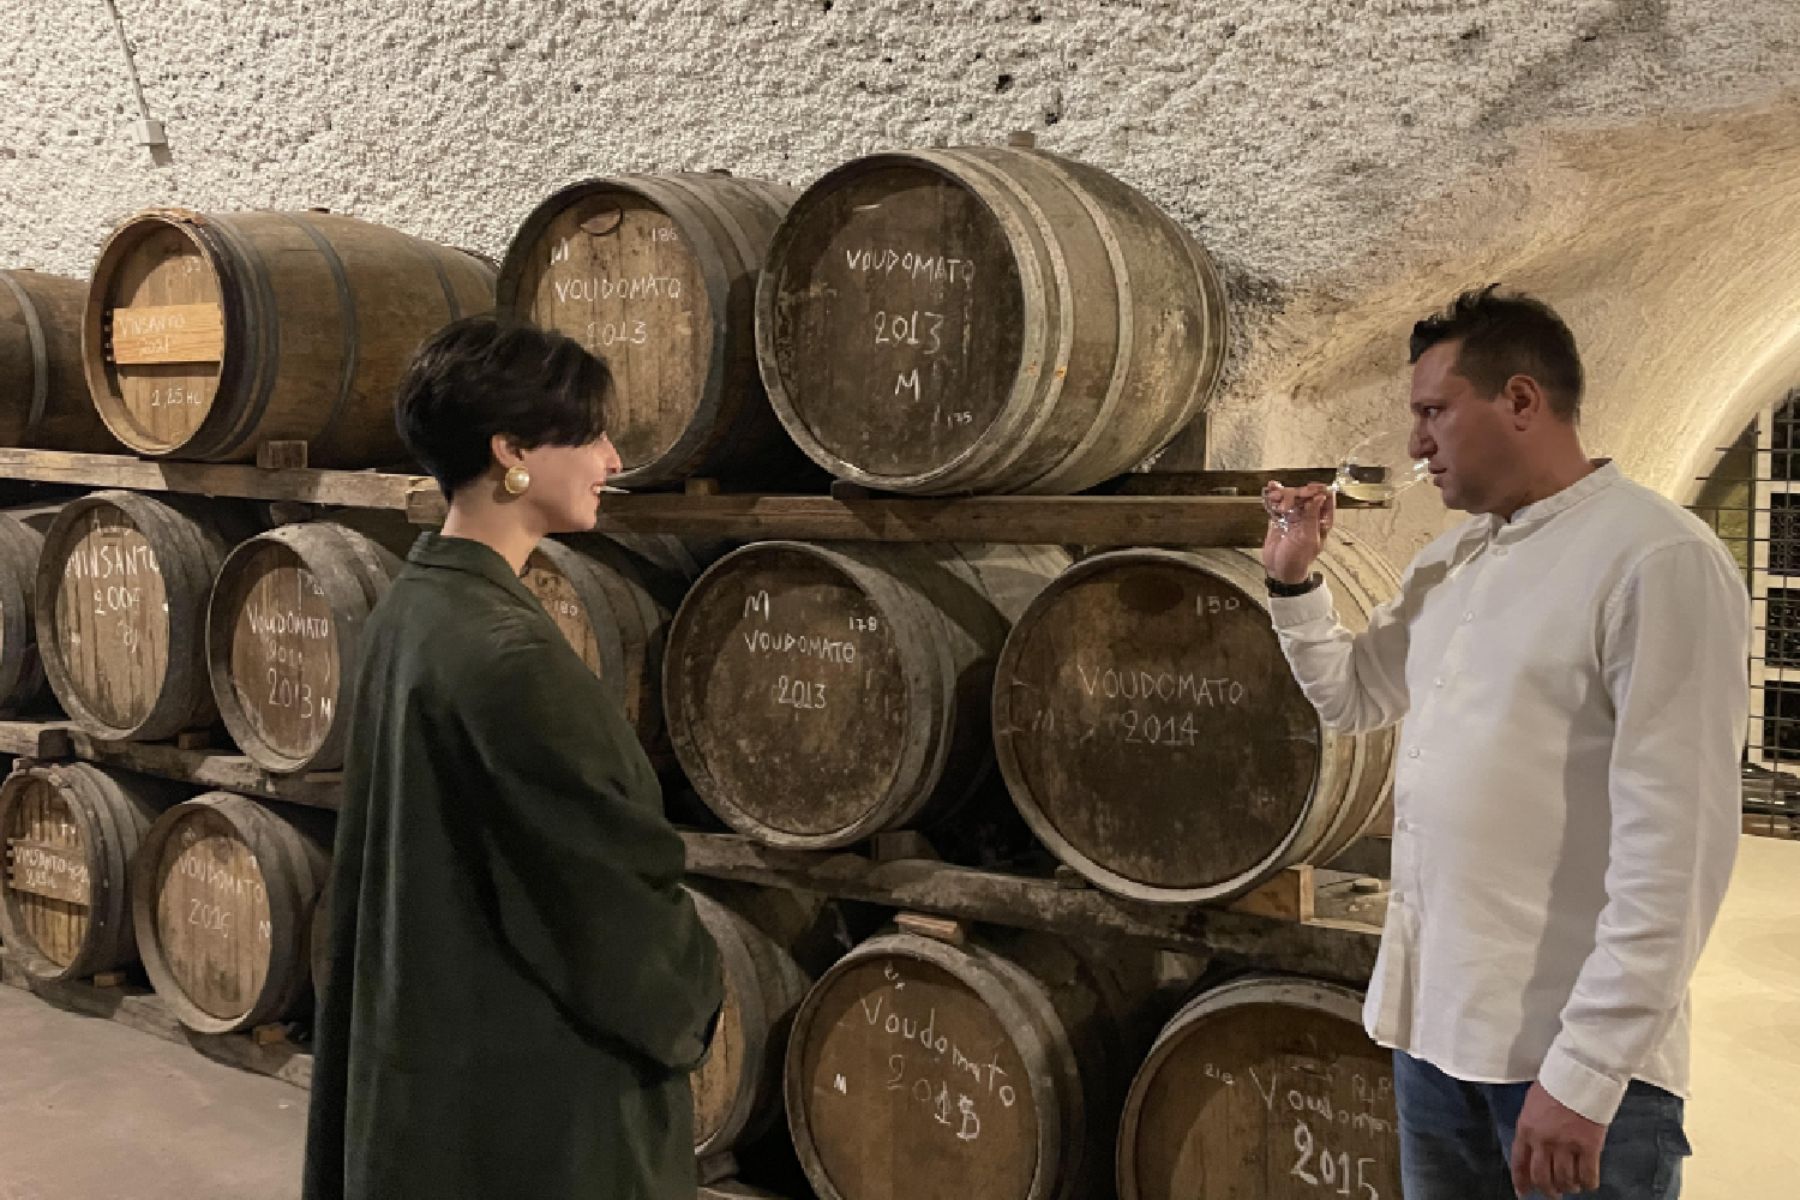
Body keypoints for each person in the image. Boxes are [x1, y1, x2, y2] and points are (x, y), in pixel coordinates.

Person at [1261, 286, 1747, 1200]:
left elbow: (1676, 850)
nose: (1415, 443)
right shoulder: (1452, 560)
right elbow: (1356, 699)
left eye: (1433, 411)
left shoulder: (1655, 559)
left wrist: (1591, 1068)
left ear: (1521, 401)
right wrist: (1294, 587)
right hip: (1433, 1039)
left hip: (1566, 1063)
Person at [303, 316, 722, 1200]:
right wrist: (695, 989)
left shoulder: (410, 608)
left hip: (437, 1059)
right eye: (593, 436)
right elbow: (610, 907)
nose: (612, 460)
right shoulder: (511, 657)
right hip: (535, 1103)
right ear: (513, 451)